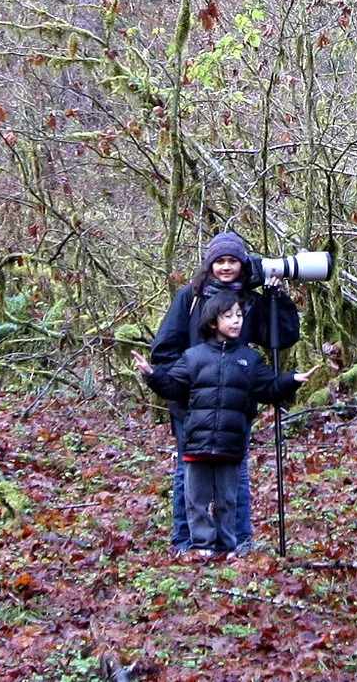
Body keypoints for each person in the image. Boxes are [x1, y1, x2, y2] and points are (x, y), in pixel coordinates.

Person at [145, 231, 300, 550]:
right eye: (220, 261)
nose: (226, 267)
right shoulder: (191, 298)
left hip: (234, 404)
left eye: (233, 261)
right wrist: (187, 381)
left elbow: (281, 338)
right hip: (190, 406)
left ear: (243, 264)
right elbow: (164, 349)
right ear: (210, 264)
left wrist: (277, 300)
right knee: (186, 473)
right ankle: (185, 540)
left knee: (237, 473)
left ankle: (239, 540)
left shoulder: (250, 300)